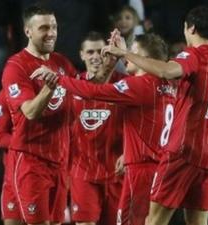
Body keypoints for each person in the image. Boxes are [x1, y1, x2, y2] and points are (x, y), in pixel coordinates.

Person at [102, 6, 208, 225]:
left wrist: (125, 53)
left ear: (190, 27)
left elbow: (167, 71)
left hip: (184, 150)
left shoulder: (193, 55)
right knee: (198, 221)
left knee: (154, 220)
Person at [31, 32, 178, 225]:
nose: (128, 56)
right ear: (81, 54)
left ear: (146, 59)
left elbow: (94, 91)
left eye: (133, 53)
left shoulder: (137, 85)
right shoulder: (169, 85)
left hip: (138, 169)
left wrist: (59, 79)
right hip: (155, 166)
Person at [1, 5, 77, 225]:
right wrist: (50, 86)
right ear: (28, 31)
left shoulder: (62, 63)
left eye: (53, 26)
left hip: (59, 160)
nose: (51, 32)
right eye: (44, 27)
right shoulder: (16, 66)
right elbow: (31, 112)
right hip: (31, 159)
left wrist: (108, 66)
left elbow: (85, 91)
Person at [69, 31, 124, 225]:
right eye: (90, 52)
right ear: (81, 55)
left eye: (100, 51)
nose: (95, 56)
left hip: (118, 174)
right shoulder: (72, 87)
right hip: (84, 172)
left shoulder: (125, 85)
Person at [0, 89, 23, 225]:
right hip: (14, 177)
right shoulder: (6, 94)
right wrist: (28, 144)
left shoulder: (57, 94)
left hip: (48, 175)